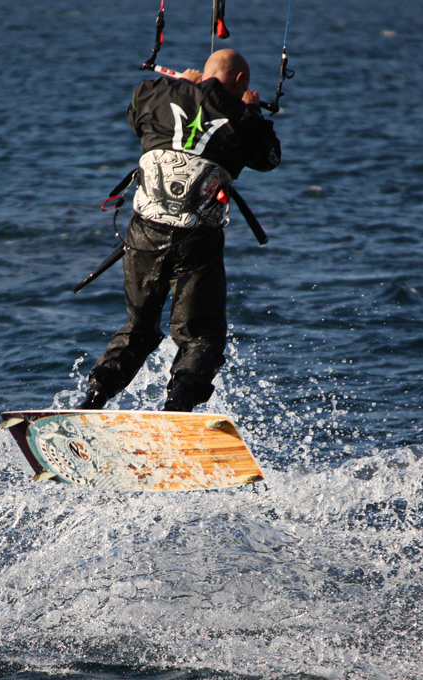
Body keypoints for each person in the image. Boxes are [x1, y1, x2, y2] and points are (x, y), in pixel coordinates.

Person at [79, 48, 281, 412]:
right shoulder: (243, 119)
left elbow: (135, 114)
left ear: (203, 73)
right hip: (196, 240)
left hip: (143, 233)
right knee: (201, 335)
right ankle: (177, 407)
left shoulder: (154, 93)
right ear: (240, 82)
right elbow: (268, 159)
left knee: (138, 328)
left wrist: (179, 86)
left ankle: (92, 399)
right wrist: (250, 110)